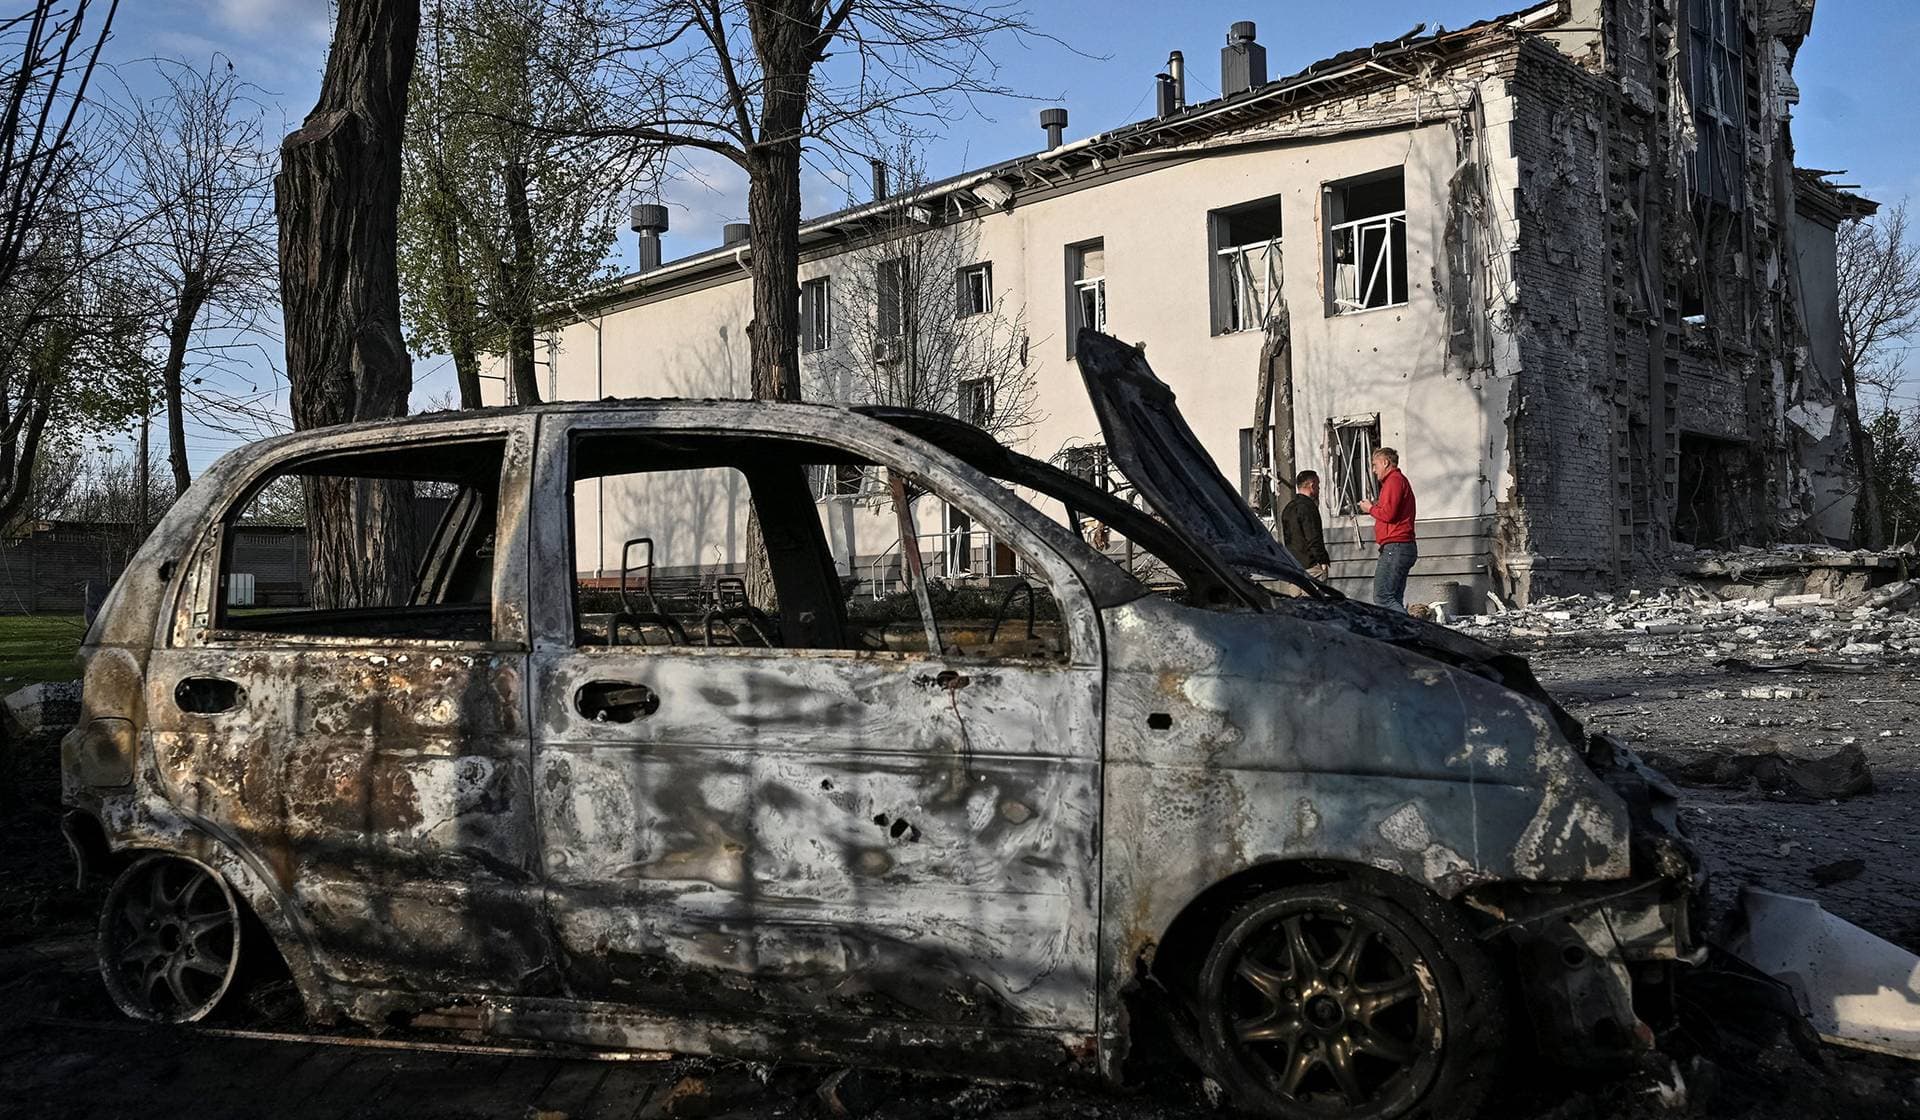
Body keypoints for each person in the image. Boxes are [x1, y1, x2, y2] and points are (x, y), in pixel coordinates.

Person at [1356, 447, 1416, 612]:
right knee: (1394, 597)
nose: (1373, 470)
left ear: (1385, 462)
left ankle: (1409, 631)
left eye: (1375, 465)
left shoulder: (1393, 481)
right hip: (1402, 546)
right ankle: (1400, 634)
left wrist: (1370, 508)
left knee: (1383, 597)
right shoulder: (1397, 481)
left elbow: (1389, 514)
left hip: (1395, 546)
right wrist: (1377, 505)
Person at [1279, 470, 1330, 583]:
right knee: (1315, 599)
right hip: (1311, 567)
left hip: (1293, 566)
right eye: (1318, 485)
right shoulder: (1308, 507)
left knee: (1296, 600)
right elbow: (1313, 537)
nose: (1319, 489)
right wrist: (1322, 560)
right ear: (1312, 485)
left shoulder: (1288, 508)